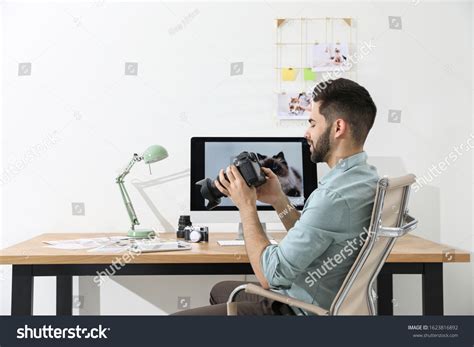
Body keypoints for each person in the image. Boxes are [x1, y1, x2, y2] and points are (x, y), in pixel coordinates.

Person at [173, 78, 379, 315]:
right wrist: (278, 200)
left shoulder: (332, 196)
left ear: (338, 128)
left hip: (301, 310)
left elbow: (270, 276)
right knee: (221, 290)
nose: (307, 132)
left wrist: (246, 206)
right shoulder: (363, 178)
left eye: (312, 123)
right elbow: (311, 235)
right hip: (325, 300)